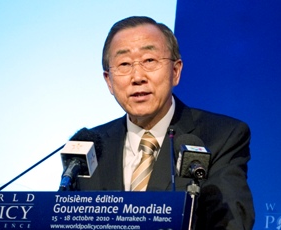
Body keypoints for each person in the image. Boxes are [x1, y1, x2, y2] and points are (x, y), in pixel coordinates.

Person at [72, 16, 255, 229]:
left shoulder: (221, 137)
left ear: (175, 72)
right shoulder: (91, 147)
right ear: (109, 81)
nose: (137, 76)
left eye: (149, 60)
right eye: (124, 64)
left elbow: (231, 224)